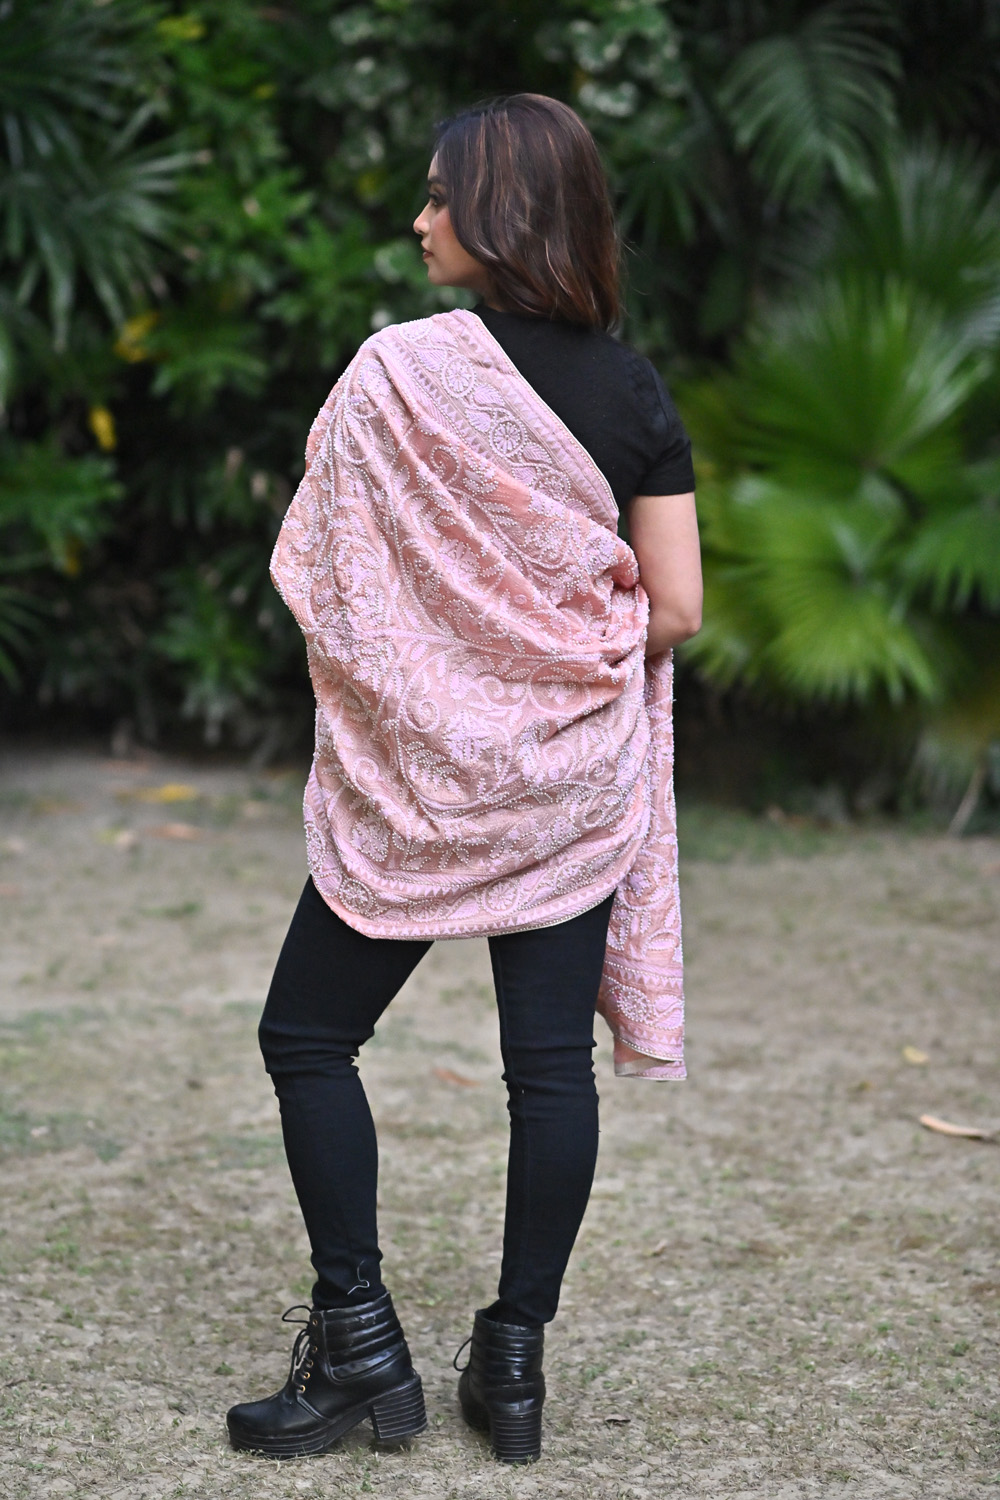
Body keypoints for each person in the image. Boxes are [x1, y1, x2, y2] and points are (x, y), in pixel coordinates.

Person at [226, 93, 702, 1466]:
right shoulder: (633, 390)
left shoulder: (395, 374)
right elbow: (676, 608)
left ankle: (360, 1350)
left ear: (502, 213)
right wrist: (540, 669)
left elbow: (329, 569)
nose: (420, 218)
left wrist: (449, 676)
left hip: (422, 783)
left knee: (307, 1037)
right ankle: (514, 1365)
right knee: (549, 1074)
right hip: (569, 783)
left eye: (440, 196)